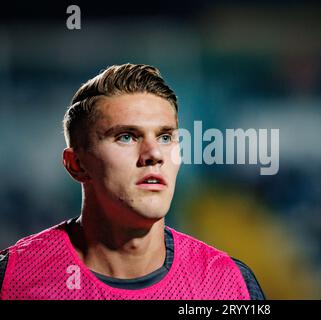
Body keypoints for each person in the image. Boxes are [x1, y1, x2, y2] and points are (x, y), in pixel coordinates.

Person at [0, 63, 265, 300]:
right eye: (126, 136)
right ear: (77, 165)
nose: (153, 154)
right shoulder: (13, 279)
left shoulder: (229, 285)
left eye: (165, 137)